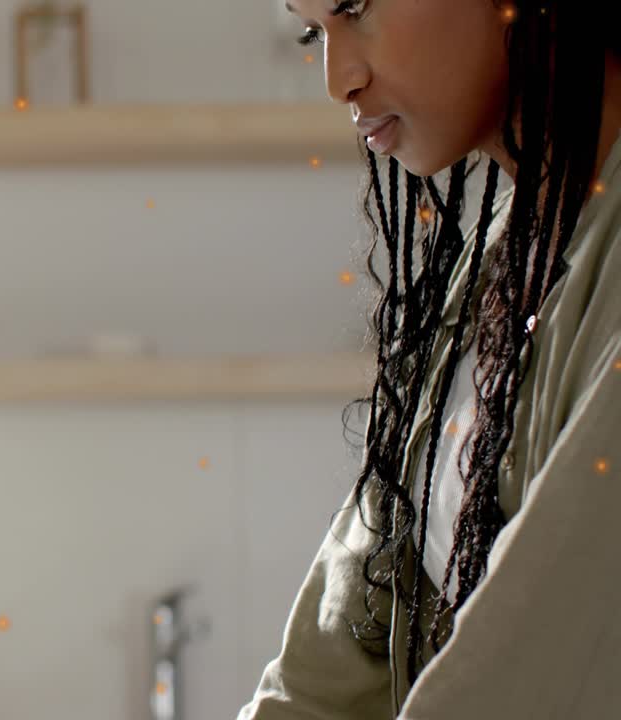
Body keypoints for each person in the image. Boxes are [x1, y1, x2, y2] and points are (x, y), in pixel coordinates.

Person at [237, 1, 621, 717]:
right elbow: (334, 660)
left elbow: (543, 669)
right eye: (314, 32)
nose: (339, 81)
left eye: (356, 7)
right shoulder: (495, 264)